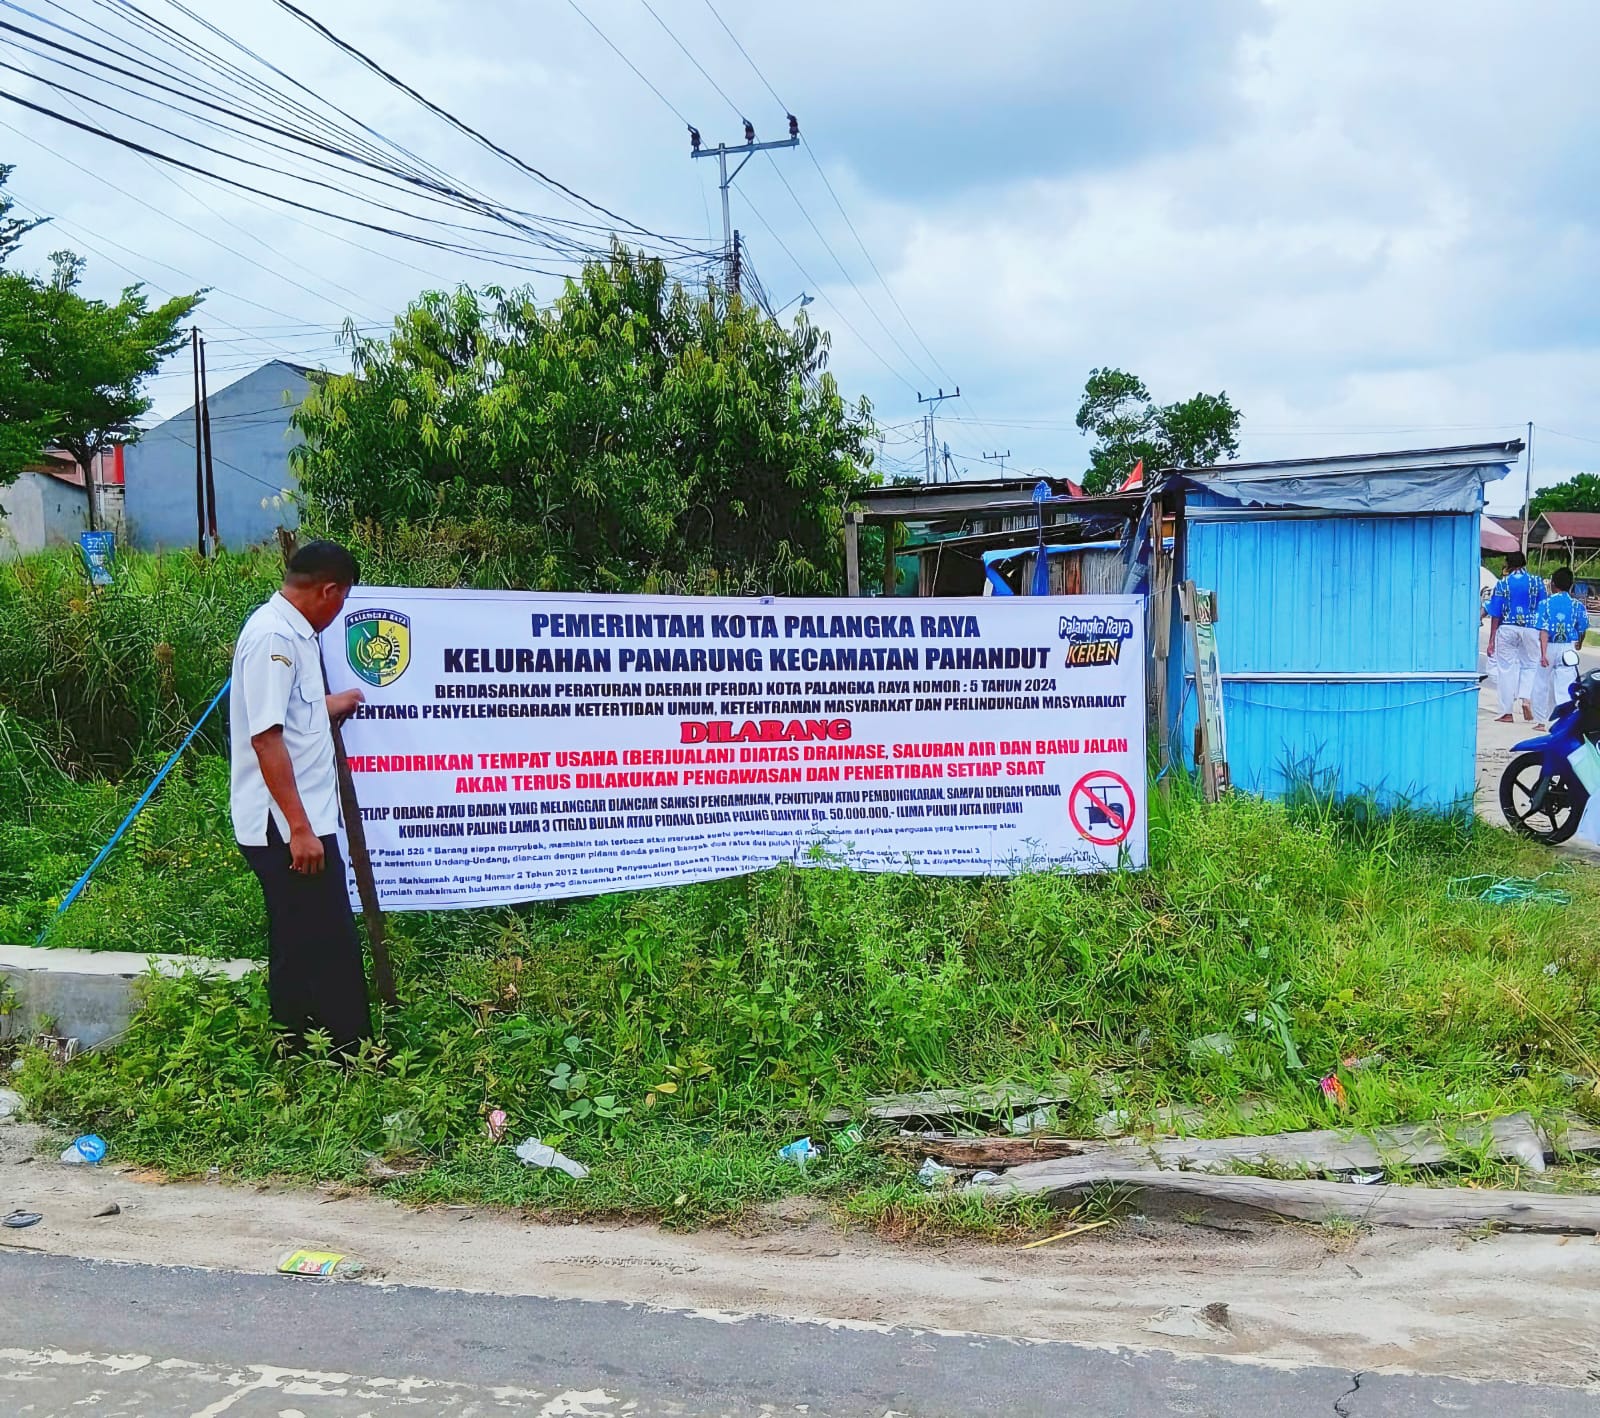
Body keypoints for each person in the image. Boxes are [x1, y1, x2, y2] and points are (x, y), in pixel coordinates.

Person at [230, 540, 370, 1053]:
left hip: (300, 820)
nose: (339, 611)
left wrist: (333, 704)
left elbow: (291, 714)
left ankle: (292, 1045)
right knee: (330, 938)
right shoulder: (274, 637)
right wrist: (300, 830)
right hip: (287, 826)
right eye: (342, 599)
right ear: (329, 590)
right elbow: (265, 738)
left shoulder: (295, 633)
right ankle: (349, 1054)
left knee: (297, 937)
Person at [1485, 551, 1546, 723]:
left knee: (1506, 669)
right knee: (1530, 665)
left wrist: (1492, 641)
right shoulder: (1537, 582)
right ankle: (1526, 698)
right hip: (1530, 628)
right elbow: (1543, 609)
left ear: (1509, 564)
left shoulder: (1503, 584)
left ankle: (1506, 712)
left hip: (1507, 628)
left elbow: (1496, 613)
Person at [1533, 566, 1590, 728]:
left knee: (1541, 683)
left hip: (1549, 646)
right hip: (1568, 648)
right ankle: (1564, 720)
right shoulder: (1577, 605)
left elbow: (1543, 631)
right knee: (1565, 684)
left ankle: (1540, 721)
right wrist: (1580, 643)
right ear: (1571, 585)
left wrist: (1543, 654)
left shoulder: (1545, 604)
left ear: (1553, 584)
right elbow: (1582, 627)